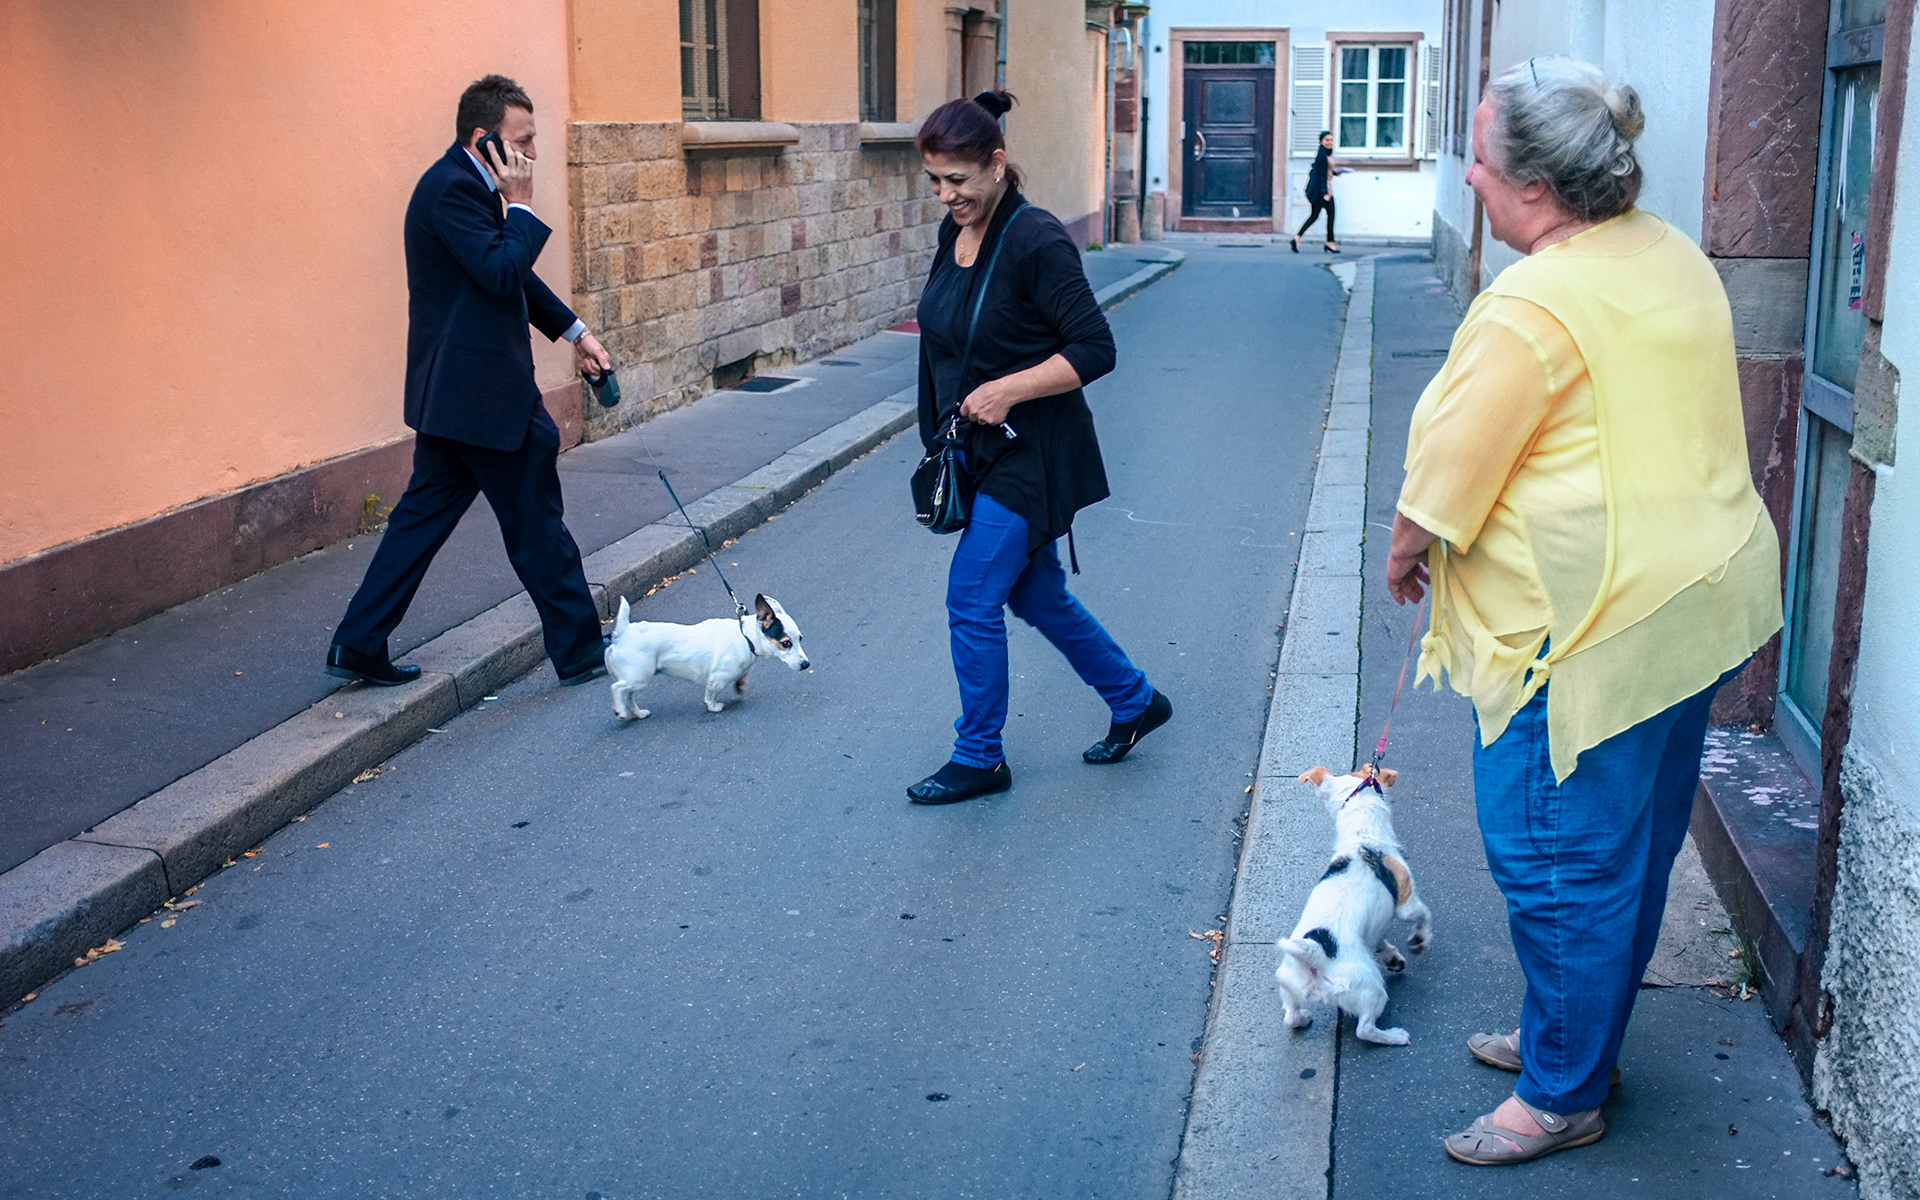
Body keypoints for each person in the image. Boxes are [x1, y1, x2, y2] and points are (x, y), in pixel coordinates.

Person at [1386, 58, 1781, 1165]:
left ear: (1540, 192)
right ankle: (1575, 1040)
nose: (1468, 174)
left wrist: (1406, 550)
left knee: (1557, 860)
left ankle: (1564, 1091)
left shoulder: (1533, 301)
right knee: (1626, 850)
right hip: (1694, 605)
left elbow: (1450, 468)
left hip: (1584, 633)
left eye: (1479, 158)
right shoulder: (1666, 251)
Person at [904, 91, 1172, 806]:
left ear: (997, 164)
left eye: (957, 179)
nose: (945, 194)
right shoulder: (952, 235)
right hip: (978, 452)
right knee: (1036, 593)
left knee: (971, 596)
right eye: (934, 180)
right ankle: (1135, 699)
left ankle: (980, 755)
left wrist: (1007, 390)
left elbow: (1095, 347)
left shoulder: (1036, 239)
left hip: (1033, 451)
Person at [326, 76, 613, 688]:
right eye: (523, 141)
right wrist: (525, 208)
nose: (531, 154)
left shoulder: (468, 186)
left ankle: (358, 641)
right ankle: (584, 652)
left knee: (419, 522)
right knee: (539, 529)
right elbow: (500, 271)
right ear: (485, 141)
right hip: (486, 400)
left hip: (455, 399)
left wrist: (575, 332)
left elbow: (512, 278)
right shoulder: (454, 192)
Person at [1290, 132, 1347, 254]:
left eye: (1331, 140)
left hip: (1323, 189)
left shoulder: (1327, 153)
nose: (1330, 142)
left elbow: (1326, 171)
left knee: (1315, 215)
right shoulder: (1321, 154)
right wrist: (1325, 193)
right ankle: (1329, 243)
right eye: (1327, 140)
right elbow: (1321, 175)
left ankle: (1297, 238)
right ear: (1321, 141)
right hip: (1322, 191)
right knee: (1329, 215)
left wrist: (1336, 173)